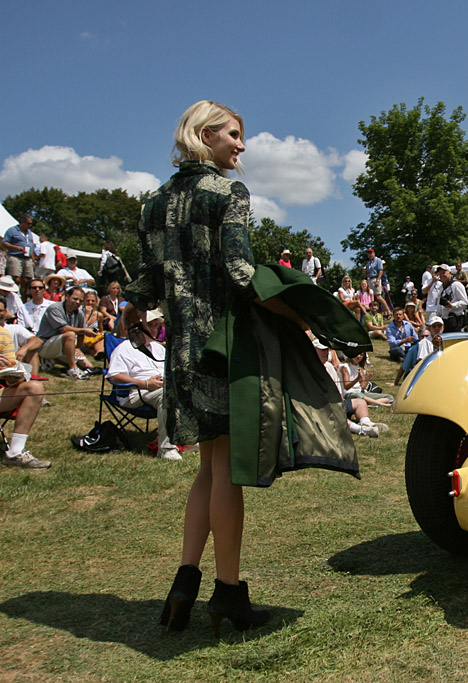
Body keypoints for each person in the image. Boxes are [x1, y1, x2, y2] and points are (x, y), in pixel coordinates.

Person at [125, 100, 294, 636]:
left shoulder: (152, 202)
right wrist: (296, 309)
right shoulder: (227, 193)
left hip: (179, 354)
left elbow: (147, 283)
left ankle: (184, 584)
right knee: (225, 472)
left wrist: (138, 302)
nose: (241, 145)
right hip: (223, 347)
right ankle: (228, 594)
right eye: (234, 134)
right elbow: (242, 271)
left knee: (206, 469)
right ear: (204, 135)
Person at [106, 310, 182, 460]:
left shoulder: (158, 348)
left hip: (161, 386)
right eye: (150, 325)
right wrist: (145, 383)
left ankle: (188, 439)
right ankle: (166, 449)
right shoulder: (125, 348)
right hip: (135, 393)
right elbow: (114, 375)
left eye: (156, 326)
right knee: (167, 394)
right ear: (137, 327)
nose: (154, 329)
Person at [0, 303, 48, 469]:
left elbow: (10, 375)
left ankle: (14, 453)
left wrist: (12, 376)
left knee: (34, 388)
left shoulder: (4, 336)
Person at [29, 286, 95, 379]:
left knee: (88, 366)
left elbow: (81, 335)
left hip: (64, 344)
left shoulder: (79, 313)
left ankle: (53, 360)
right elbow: (64, 329)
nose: (77, 302)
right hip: (45, 344)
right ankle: (72, 370)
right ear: (67, 297)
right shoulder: (55, 308)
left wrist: (78, 348)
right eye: (75, 299)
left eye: (80, 301)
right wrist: (84, 330)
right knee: (70, 334)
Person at [393, 315, 444, 386]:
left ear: (443, 327)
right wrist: (396, 382)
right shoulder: (422, 344)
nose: (437, 328)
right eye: (434, 326)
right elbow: (419, 363)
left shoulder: (447, 341)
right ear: (429, 328)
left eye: (439, 325)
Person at [3, 213, 37, 295]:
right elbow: (4, 243)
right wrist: (15, 247)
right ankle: (14, 295)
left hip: (27, 258)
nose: (30, 225)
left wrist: (33, 260)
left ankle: (23, 299)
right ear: (22, 222)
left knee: (26, 280)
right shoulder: (12, 230)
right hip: (15, 256)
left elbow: (31, 246)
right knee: (16, 278)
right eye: (28, 223)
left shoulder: (29, 233)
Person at [438, 264, 468, 331]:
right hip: (444, 320)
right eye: (440, 273)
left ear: (450, 273)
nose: (441, 275)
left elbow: (465, 302)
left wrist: (452, 305)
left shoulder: (456, 285)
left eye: (443, 273)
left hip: (456, 320)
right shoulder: (440, 287)